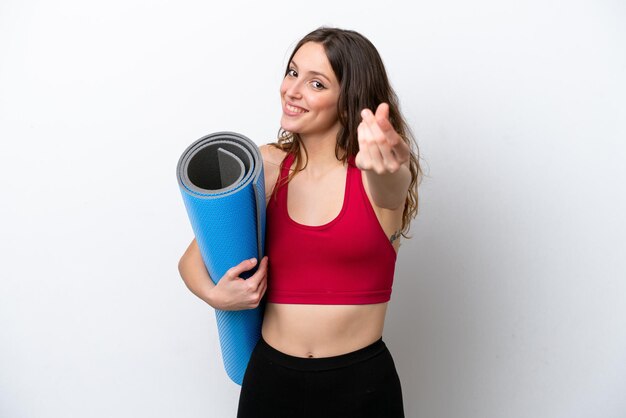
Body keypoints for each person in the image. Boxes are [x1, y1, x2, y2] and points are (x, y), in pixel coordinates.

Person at [178, 27, 422, 418]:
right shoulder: (267, 167)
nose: (292, 90)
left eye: (316, 83)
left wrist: (394, 165)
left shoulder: (375, 176)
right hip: (271, 379)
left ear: (349, 100)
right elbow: (193, 259)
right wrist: (217, 296)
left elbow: (393, 184)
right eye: (293, 72)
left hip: (360, 384)